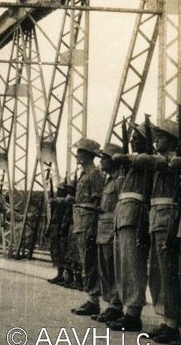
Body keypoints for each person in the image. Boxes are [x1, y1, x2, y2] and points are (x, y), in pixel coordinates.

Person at [137, 120, 181, 343]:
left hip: (168, 221)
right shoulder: (161, 162)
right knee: (158, 274)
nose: (156, 140)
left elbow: (163, 162)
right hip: (157, 220)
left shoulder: (173, 161)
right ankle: (165, 320)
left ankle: (173, 325)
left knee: (169, 274)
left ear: (172, 140)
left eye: (161, 137)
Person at [108, 122, 151, 332]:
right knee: (123, 265)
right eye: (132, 139)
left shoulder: (144, 162)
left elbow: (139, 159)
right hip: (123, 217)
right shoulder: (132, 166)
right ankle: (127, 309)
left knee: (133, 266)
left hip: (134, 218)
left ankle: (133, 313)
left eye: (137, 139)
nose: (133, 142)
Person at [69, 138, 104, 316]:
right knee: (85, 261)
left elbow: (97, 200)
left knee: (90, 261)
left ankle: (93, 300)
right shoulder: (85, 173)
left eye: (81, 152)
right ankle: (91, 298)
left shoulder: (94, 175)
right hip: (81, 222)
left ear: (88, 155)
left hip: (88, 221)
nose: (77, 155)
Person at [93, 143, 124, 323]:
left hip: (111, 229)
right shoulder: (109, 179)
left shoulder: (119, 179)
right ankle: (111, 304)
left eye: (105, 157)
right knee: (105, 268)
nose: (102, 161)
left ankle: (116, 305)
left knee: (113, 268)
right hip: (102, 227)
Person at [46, 181, 68, 284]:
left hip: (60, 227)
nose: (57, 192)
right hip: (54, 227)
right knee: (55, 251)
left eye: (59, 190)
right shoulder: (57, 202)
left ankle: (63, 275)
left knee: (61, 252)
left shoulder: (63, 202)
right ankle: (59, 274)